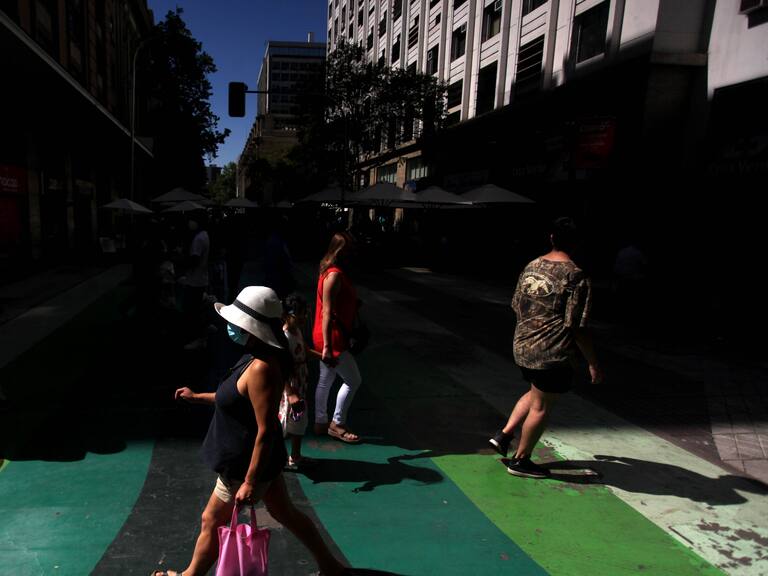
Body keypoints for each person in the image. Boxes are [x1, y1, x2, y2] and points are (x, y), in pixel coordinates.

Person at [159, 286, 348, 576]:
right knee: (287, 514)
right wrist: (196, 397)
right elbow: (232, 395)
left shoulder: (261, 368)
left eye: (235, 324)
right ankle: (331, 566)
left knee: (211, 519)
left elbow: (266, 429)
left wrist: (249, 480)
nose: (230, 328)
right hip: (261, 462)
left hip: (245, 463)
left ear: (252, 327)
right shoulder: (252, 357)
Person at [489, 217, 604, 479]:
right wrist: (593, 363)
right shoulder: (576, 276)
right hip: (551, 352)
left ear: (552, 237)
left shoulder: (532, 265)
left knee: (535, 392)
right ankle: (521, 460)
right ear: (578, 243)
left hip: (522, 344)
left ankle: (504, 435)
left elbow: (516, 304)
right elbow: (576, 326)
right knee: (542, 406)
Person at [312, 231, 363, 444]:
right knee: (353, 380)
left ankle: (320, 422)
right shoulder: (334, 275)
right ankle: (337, 423)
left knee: (326, 379)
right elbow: (327, 311)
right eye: (350, 249)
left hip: (327, 335)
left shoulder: (329, 271)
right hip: (332, 337)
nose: (353, 253)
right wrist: (327, 347)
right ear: (341, 251)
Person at [279, 292, 318, 469]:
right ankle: (274, 458)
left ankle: (295, 456)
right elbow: (281, 367)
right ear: (287, 315)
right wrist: (290, 392)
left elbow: (305, 349)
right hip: (290, 385)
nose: (303, 317)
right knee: (284, 421)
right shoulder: (284, 337)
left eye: (304, 313)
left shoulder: (297, 331)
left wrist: (324, 357)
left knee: (299, 420)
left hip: (301, 382)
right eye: (299, 314)